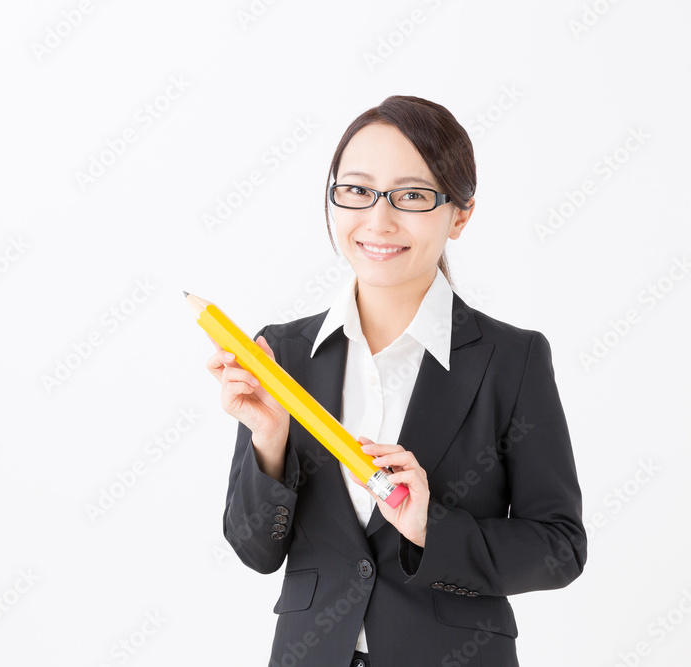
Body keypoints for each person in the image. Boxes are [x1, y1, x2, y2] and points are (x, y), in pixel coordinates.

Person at [204, 95, 586, 667]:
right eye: (357, 190)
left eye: (411, 196)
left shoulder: (513, 359)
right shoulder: (283, 354)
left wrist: (432, 527)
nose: (378, 220)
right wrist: (270, 440)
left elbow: (560, 548)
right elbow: (256, 550)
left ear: (460, 214)